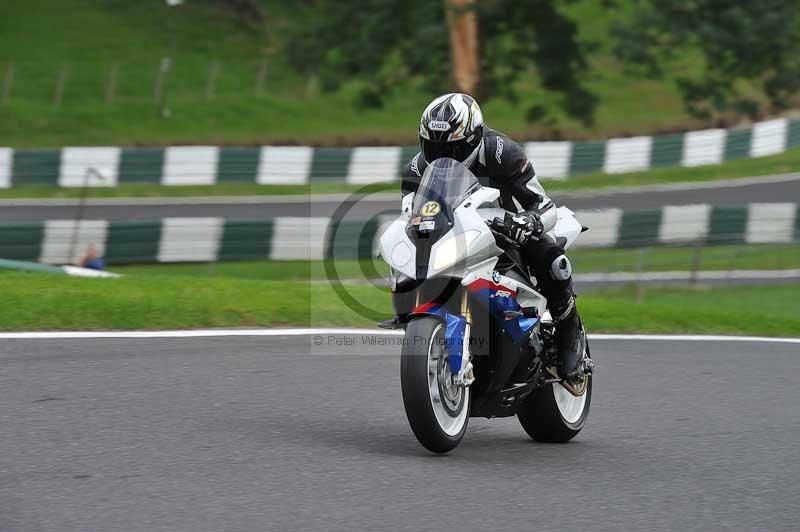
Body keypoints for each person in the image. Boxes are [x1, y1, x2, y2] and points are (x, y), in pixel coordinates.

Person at [401, 93, 583, 380]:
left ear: (474, 137)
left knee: (554, 263)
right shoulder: (416, 169)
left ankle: (569, 331)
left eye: (453, 147)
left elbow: (543, 203)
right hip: (455, 236)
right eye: (434, 147)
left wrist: (528, 220)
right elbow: (411, 213)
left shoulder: (502, 152)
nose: (443, 155)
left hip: (509, 231)